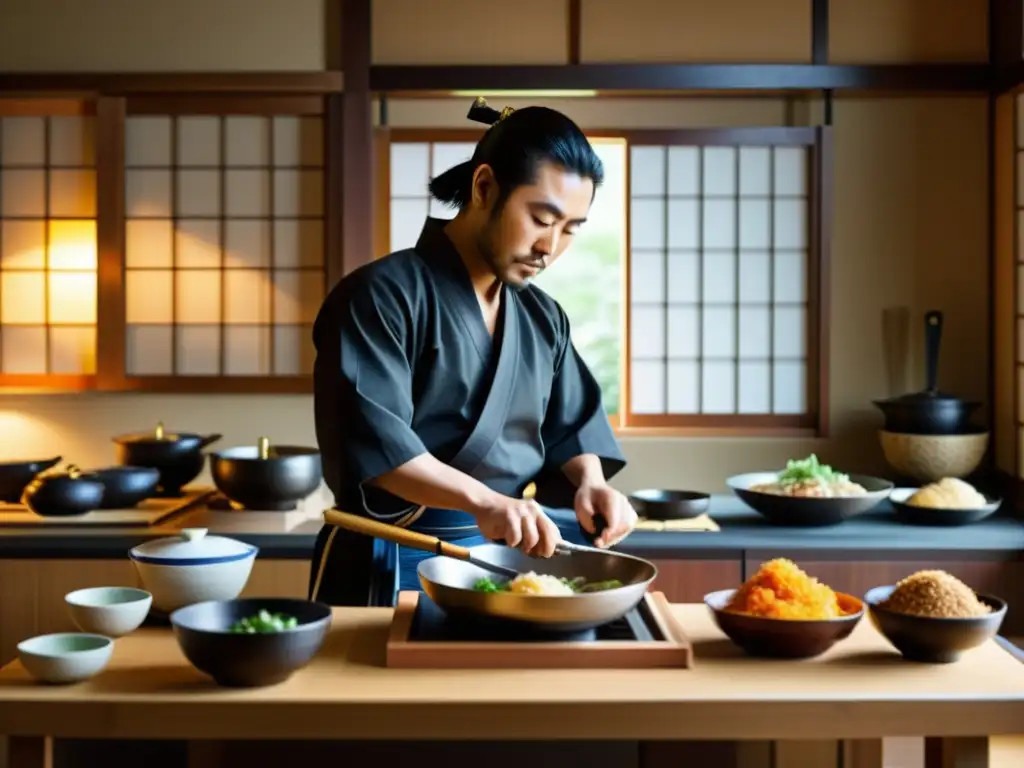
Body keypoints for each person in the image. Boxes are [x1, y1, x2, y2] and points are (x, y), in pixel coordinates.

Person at [308, 98, 637, 606]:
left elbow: (571, 424)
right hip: (392, 552)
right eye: (541, 217)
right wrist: (484, 500)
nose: (551, 246)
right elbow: (376, 446)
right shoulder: (379, 297)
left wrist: (590, 482)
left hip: (504, 560)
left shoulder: (542, 317)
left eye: (571, 228)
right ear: (484, 188)